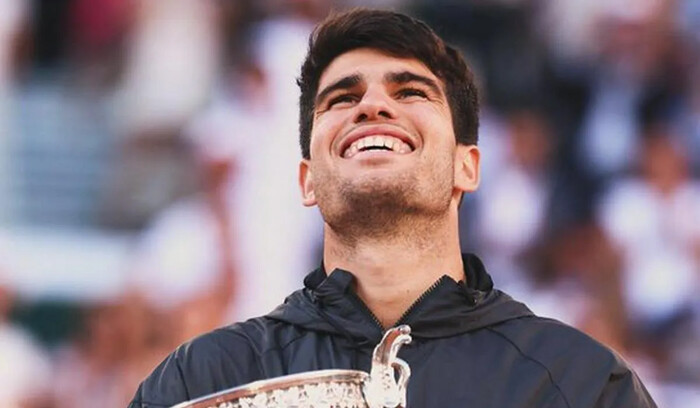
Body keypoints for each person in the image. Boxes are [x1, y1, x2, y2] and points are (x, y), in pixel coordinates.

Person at [129, 9, 656, 407]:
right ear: (307, 180)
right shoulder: (206, 382)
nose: (372, 105)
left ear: (467, 167)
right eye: (340, 99)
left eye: (411, 92)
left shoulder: (577, 384)